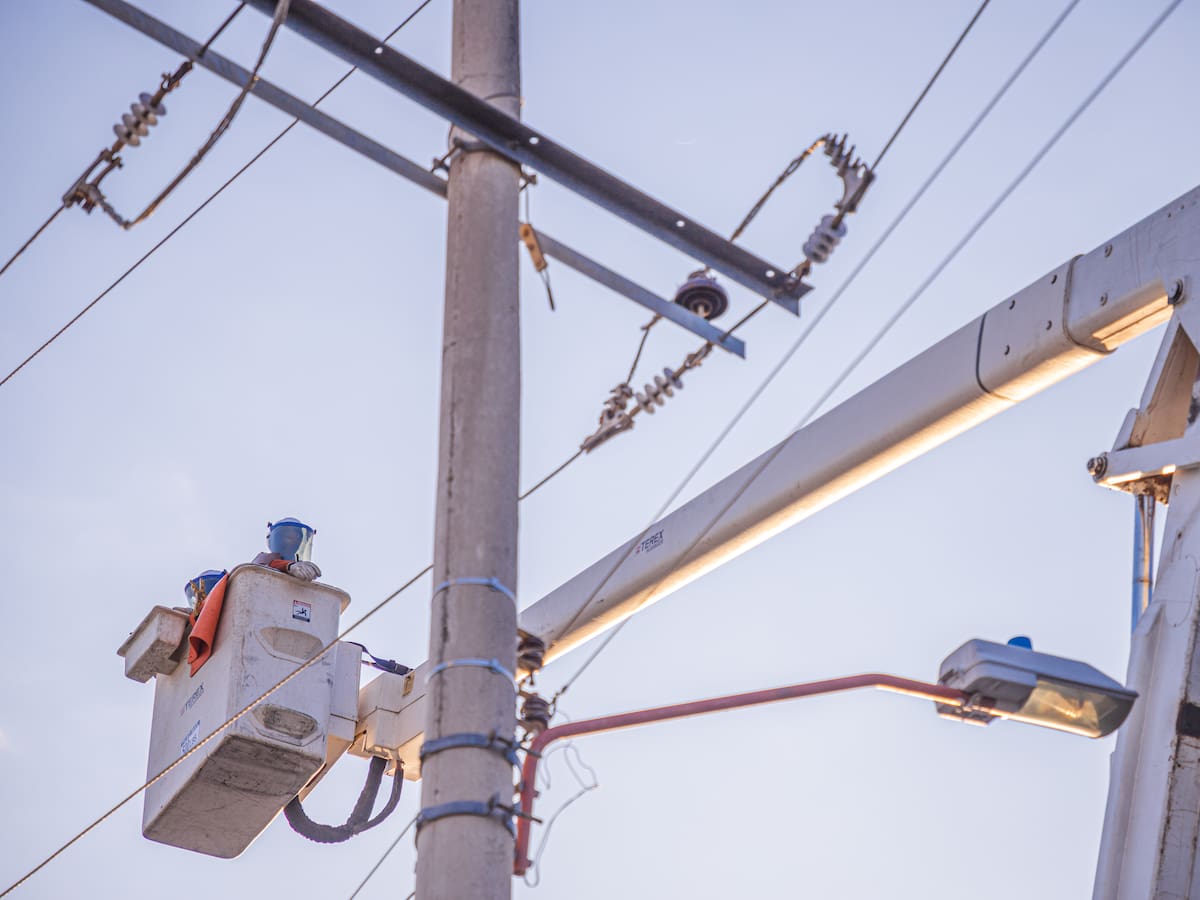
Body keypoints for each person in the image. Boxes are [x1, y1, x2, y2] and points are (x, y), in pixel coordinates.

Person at [187, 517, 322, 675]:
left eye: (294, 537)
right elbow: (261, 567)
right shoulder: (262, 565)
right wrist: (289, 566)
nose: (289, 541)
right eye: (285, 536)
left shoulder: (309, 584)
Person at [253, 517, 321, 581]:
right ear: (277, 539)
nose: (292, 541)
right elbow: (258, 568)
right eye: (288, 537)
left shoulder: (300, 567)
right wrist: (289, 566)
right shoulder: (266, 557)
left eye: (296, 537)